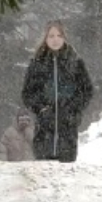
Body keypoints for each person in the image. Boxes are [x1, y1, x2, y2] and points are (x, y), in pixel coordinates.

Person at [20, 22, 93, 162]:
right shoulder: (37, 63)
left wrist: (73, 108)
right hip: (44, 130)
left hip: (68, 129)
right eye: (51, 35)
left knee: (65, 173)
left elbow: (87, 90)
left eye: (59, 35)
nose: (55, 39)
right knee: (44, 174)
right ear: (45, 38)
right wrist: (41, 108)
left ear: (65, 38)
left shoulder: (75, 62)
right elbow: (27, 93)